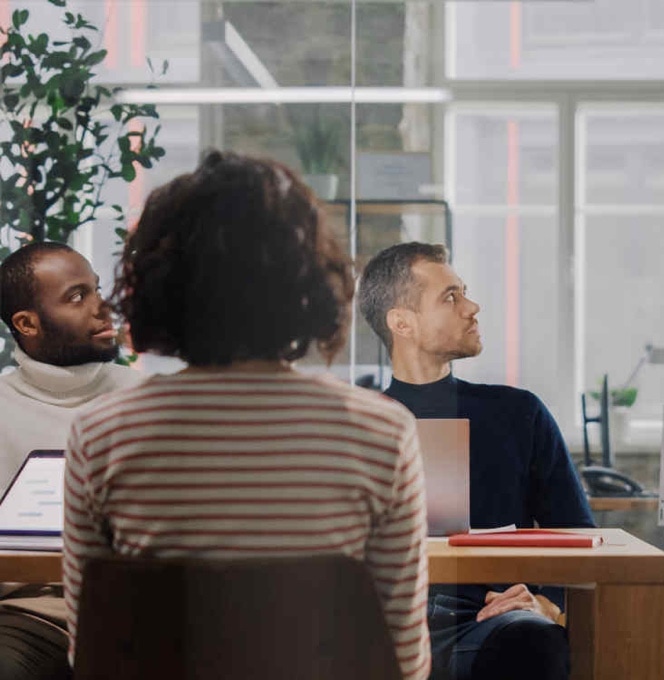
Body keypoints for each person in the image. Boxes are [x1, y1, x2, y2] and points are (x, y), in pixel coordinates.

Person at [60, 151, 431, 679]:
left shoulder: (101, 433)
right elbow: (403, 661)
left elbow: (92, 652)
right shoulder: (382, 432)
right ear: (310, 285)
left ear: (158, 284)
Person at [357, 242, 595, 680]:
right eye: (451, 297)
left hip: (491, 621)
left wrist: (548, 602)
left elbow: (578, 532)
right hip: (384, 624)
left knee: (535, 640)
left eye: (464, 293)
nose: (472, 307)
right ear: (401, 322)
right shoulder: (360, 422)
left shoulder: (518, 413)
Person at [0, 241, 144, 680]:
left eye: (97, 289)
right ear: (27, 323)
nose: (102, 307)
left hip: (141, 607)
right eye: (77, 296)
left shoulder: (146, 398)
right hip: (35, 615)